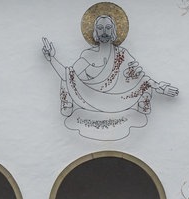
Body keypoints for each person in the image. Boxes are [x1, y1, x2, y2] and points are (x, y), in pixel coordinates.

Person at [42, 14, 178, 139]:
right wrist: (51, 58)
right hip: (90, 101)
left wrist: (160, 87)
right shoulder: (89, 55)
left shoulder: (122, 54)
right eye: (100, 28)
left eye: (108, 28)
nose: (104, 32)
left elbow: (141, 76)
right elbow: (68, 76)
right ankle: (67, 105)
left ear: (113, 30)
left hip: (119, 101)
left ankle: (143, 106)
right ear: (95, 31)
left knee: (142, 83)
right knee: (68, 80)